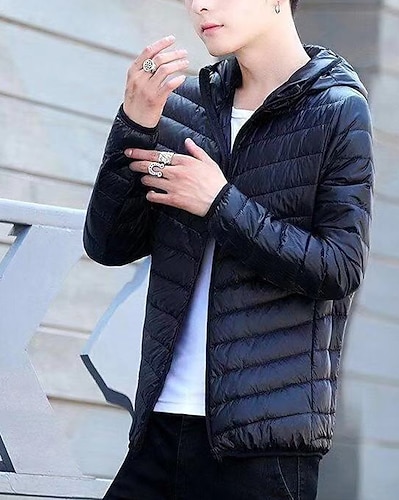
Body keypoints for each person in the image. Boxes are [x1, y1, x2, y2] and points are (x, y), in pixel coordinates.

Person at [83, 0, 373, 498]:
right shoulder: (184, 105)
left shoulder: (338, 110)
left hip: (262, 448)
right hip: (160, 425)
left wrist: (220, 203)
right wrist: (134, 121)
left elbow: (339, 267)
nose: (199, 4)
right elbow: (108, 245)